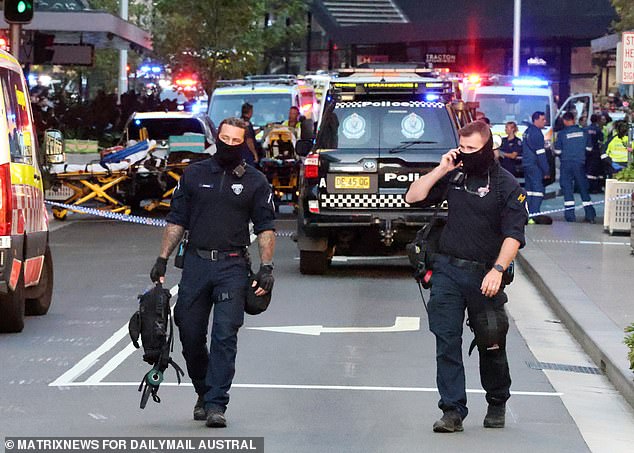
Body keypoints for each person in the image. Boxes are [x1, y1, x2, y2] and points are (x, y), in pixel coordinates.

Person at [149, 117, 276, 428]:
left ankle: (217, 403)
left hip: (233, 266)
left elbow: (266, 228)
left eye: (236, 141)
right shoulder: (194, 175)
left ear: (244, 143)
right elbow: (177, 220)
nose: (229, 145)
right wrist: (162, 259)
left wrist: (267, 268)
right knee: (189, 332)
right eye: (225, 139)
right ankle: (203, 391)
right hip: (195, 263)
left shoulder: (255, 181)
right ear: (217, 137)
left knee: (224, 335)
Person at [405, 120, 528, 433]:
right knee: (446, 340)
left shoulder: (506, 184)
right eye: (462, 148)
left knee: (491, 340)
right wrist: (441, 169)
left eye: (472, 149)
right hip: (447, 270)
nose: (466, 154)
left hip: (485, 273)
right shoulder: (454, 176)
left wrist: (498, 270)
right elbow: (413, 196)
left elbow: (513, 235)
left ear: (487, 147)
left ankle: (497, 400)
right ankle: (452, 410)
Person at [554, 112, 596, 223]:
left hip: (566, 164)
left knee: (567, 189)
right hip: (580, 164)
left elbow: (557, 151)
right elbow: (589, 149)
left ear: (565, 121)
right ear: (574, 119)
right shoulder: (584, 132)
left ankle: (570, 216)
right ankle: (590, 215)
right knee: (583, 189)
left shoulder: (562, 134)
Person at [522, 111, 551, 222]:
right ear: (536, 120)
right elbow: (540, 154)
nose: (545, 122)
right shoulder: (537, 133)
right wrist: (546, 170)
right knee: (538, 190)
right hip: (535, 165)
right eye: (543, 119)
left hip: (527, 164)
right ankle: (534, 214)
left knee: (529, 190)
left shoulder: (527, 131)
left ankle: (527, 214)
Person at [584, 114, 604, 193]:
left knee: (587, 169)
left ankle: (587, 187)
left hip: (586, 152)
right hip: (595, 152)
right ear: (597, 120)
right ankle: (595, 188)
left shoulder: (586, 129)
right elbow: (601, 141)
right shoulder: (598, 130)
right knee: (595, 171)